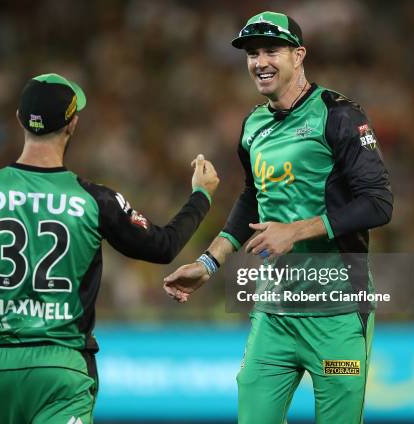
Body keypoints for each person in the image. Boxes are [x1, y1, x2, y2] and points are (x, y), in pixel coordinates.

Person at [0, 73, 219, 423]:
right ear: (73, 124)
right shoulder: (96, 200)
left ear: (20, 119)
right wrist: (200, 196)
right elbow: (163, 246)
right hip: (64, 368)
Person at [163, 12, 392, 424]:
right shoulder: (253, 126)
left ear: (299, 55)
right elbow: (252, 198)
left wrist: (297, 231)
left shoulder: (339, 115)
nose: (260, 61)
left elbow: (378, 203)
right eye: (252, 53)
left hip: (336, 319)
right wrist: (209, 263)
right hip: (276, 313)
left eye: (272, 50)